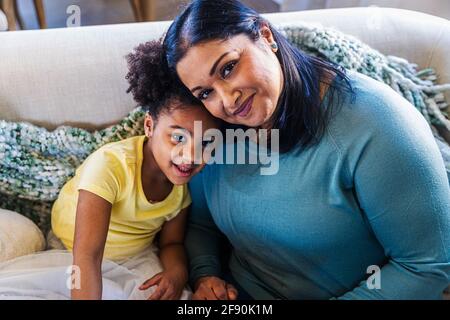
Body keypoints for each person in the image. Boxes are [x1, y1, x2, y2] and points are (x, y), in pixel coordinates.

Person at [159, 0, 450, 299]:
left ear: (266, 36)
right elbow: (200, 223)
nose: (227, 100)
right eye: (205, 92)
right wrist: (206, 275)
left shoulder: (376, 123)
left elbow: (427, 264)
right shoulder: (213, 129)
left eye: (229, 68)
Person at [49, 39, 219, 300]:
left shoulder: (182, 186)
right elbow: (87, 256)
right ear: (149, 127)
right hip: (73, 252)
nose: (192, 156)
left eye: (206, 142)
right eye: (179, 138)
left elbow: (172, 243)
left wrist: (177, 273)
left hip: (136, 257)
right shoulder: (109, 166)